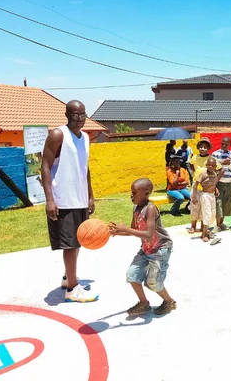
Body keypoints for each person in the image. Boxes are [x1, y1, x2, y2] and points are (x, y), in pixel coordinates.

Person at [40, 100, 98, 303]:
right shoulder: (58, 135)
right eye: (76, 114)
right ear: (67, 114)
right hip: (63, 199)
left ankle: (68, 278)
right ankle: (73, 289)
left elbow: (85, 168)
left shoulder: (86, 138)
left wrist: (90, 196)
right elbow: (45, 167)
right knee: (70, 245)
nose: (80, 118)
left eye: (83, 114)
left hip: (80, 198)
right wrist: (49, 199)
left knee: (79, 240)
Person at [108, 178, 176, 315]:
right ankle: (144, 303)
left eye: (134, 192)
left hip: (160, 249)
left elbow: (149, 234)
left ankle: (169, 302)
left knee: (153, 282)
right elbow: (135, 229)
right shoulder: (136, 208)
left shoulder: (150, 209)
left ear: (146, 193)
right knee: (132, 275)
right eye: (131, 192)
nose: (131, 195)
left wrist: (125, 229)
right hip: (146, 248)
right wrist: (117, 232)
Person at [192, 158, 224, 243]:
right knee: (207, 214)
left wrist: (215, 189)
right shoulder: (203, 174)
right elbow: (196, 185)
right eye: (209, 165)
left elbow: (212, 183)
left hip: (212, 196)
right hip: (205, 196)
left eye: (213, 165)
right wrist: (194, 196)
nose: (210, 167)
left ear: (215, 167)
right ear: (206, 165)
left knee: (213, 214)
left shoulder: (214, 174)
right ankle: (204, 234)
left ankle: (206, 230)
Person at [188, 137, 214, 234]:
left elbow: (217, 168)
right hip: (196, 188)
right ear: (198, 147)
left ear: (208, 149)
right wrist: (194, 172)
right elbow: (190, 164)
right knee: (195, 207)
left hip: (206, 189)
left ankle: (203, 226)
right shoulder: (195, 157)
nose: (203, 149)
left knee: (205, 208)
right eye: (201, 147)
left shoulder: (210, 159)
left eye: (205, 147)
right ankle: (193, 226)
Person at [211, 136, 231, 231]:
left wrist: (229, 164)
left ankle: (222, 223)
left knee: (227, 203)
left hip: (229, 182)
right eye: (222, 144)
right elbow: (212, 167)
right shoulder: (215, 154)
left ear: (230, 144)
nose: (224, 145)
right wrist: (222, 163)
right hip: (219, 183)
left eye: (226, 144)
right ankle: (217, 225)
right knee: (218, 203)